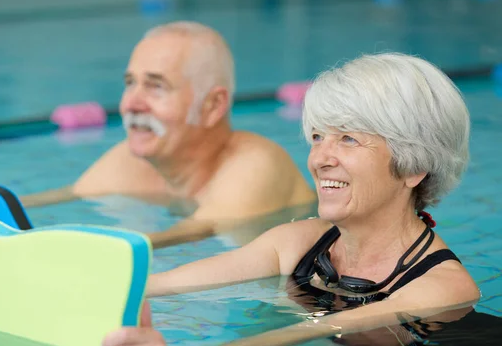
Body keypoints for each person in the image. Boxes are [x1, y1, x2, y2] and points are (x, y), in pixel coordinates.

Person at [0, 53, 485, 346]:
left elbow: (317, 329)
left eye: (349, 139)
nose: (320, 156)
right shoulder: (297, 242)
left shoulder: (442, 286)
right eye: (317, 135)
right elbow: (153, 281)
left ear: (413, 167)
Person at [20, 21, 316, 248]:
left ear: (212, 106)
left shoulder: (255, 165)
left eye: (156, 86)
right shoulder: (136, 159)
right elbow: (59, 200)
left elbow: (180, 240)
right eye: (130, 83)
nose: (131, 103)